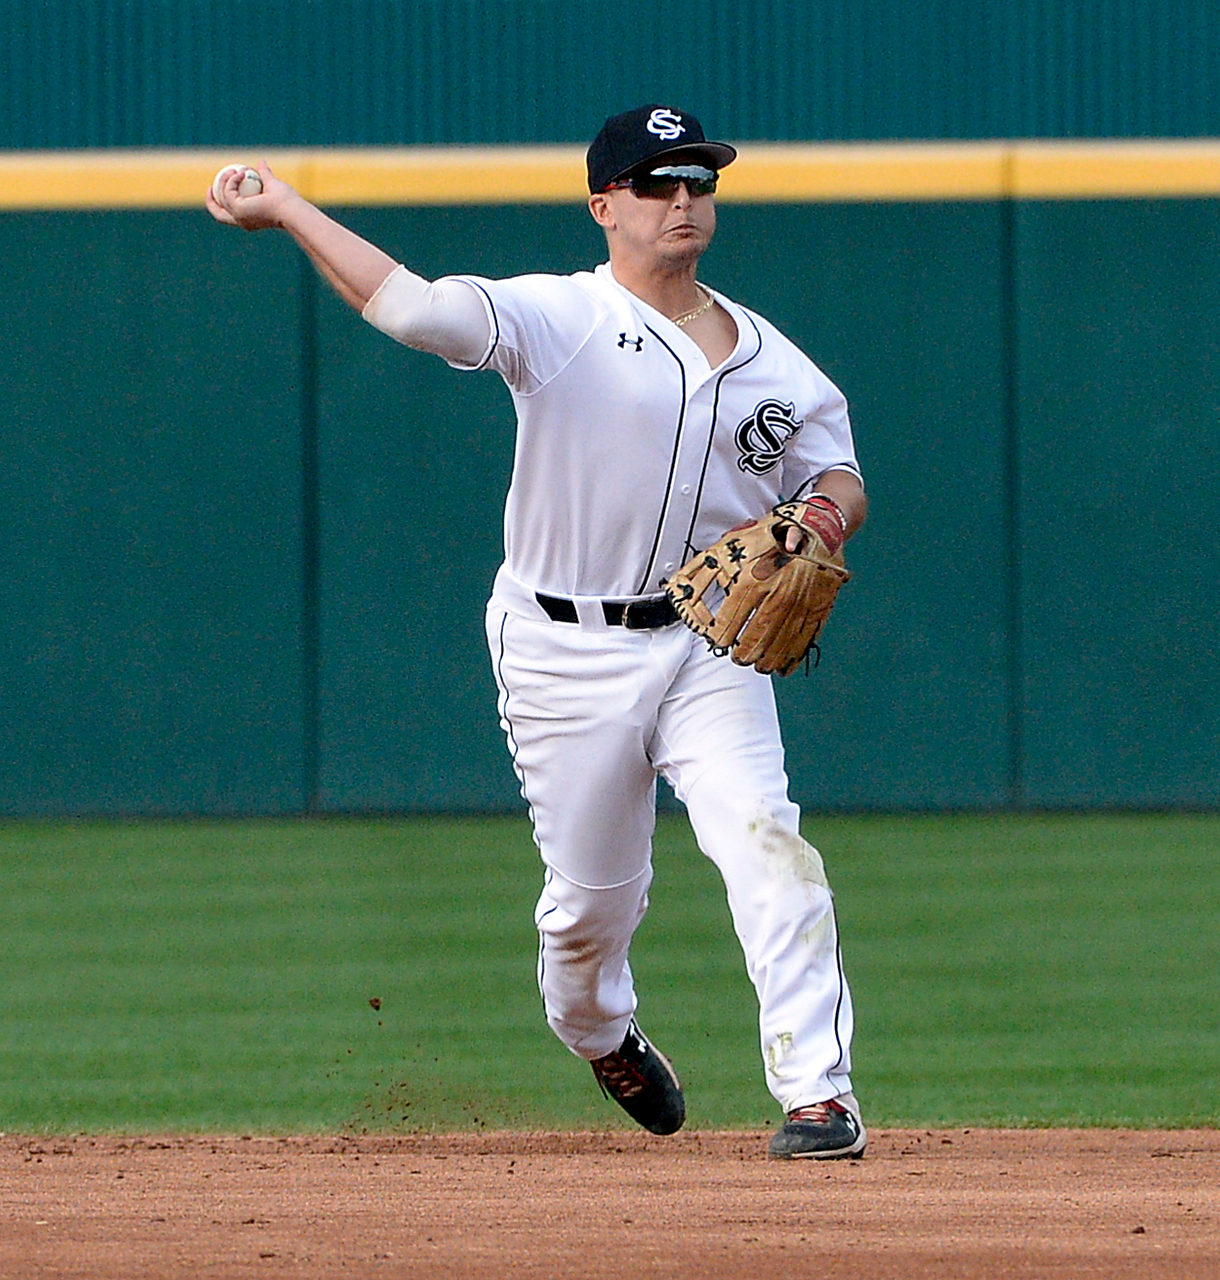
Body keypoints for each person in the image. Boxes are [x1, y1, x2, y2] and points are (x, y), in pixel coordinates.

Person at [207, 103, 869, 1160]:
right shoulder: (555, 319)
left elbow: (833, 467)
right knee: (588, 910)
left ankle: (817, 1093)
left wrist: (824, 512)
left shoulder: (768, 359)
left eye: (697, 180)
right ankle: (597, 1028)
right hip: (563, 648)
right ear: (604, 205)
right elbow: (413, 310)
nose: (682, 199)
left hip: (707, 643)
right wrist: (286, 207)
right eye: (657, 183)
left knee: (766, 842)